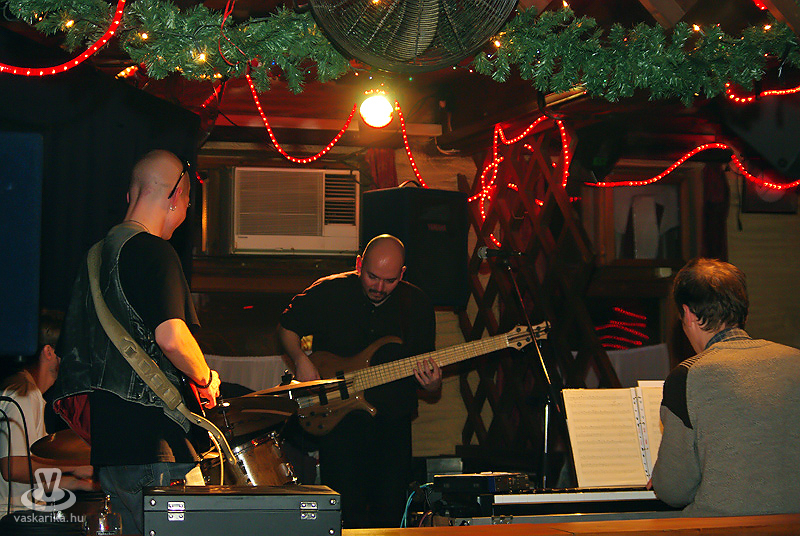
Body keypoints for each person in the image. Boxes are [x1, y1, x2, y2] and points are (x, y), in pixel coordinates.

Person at [50, 150, 221, 535]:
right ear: (177, 198)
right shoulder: (156, 251)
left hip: (112, 451)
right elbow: (172, 338)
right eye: (187, 204)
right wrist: (206, 377)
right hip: (156, 445)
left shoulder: (94, 259)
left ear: (131, 195)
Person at [277, 234, 442, 528]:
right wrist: (300, 359)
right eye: (372, 277)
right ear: (358, 265)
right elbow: (286, 327)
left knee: (390, 516)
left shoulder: (417, 304)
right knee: (343, 514)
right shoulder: (329, 291)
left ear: (402, 274)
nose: (379, 287)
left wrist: (431, 385)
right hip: (340, 427)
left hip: (392, 427)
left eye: (389, 281)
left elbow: (425, 375)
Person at [651, 258, 800, 516]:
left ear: (688, 315)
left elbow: (673, 491)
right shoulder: (795, 361)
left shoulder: (687, 376)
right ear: (743, 311)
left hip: (723, 526)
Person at [0, 311, 95, 517]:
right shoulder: (23, 394)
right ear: (49, 351)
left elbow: (29, 474)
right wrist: (74, 466)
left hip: (21, 512)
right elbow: (12, 468)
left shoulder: (29, 392)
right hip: (13, 518)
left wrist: (77, 483)